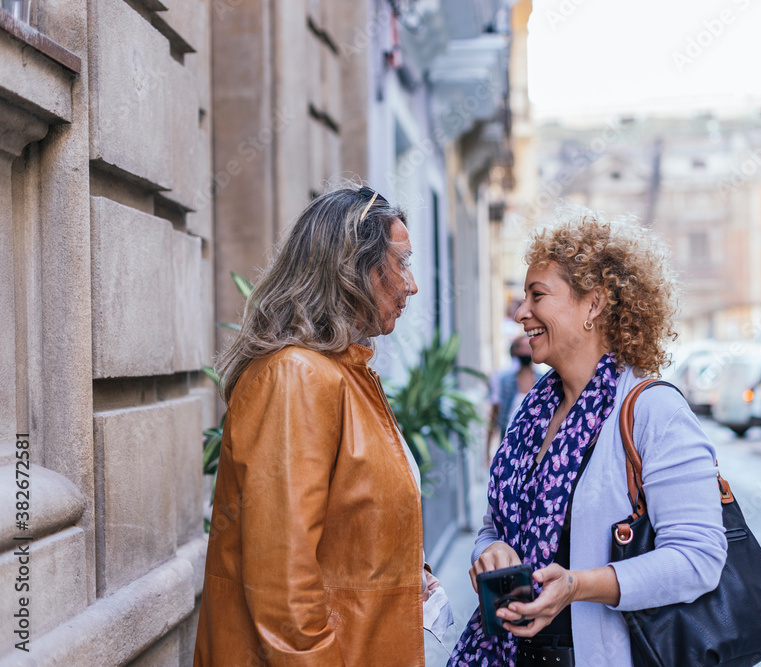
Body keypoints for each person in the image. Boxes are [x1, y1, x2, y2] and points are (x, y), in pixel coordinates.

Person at [449, 210, 727, 666]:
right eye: (523, 298)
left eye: (537, 296)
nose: (521, 313)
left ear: (594, 305)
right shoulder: (531, 414)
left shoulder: (653, 412)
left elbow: (699, 557)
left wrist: (579, 585)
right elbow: (493, 527)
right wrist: (491, 551)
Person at [194, 186, 439, 666]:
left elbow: (347, 538)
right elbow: (282, 588)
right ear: (354, 269)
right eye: (402, 262)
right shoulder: (297, 378)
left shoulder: (341, 373)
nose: (411, 285)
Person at [488, 336, 543, 448]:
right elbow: (495, 414)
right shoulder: (504, 381)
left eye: (529, 347)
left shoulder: (543, 381)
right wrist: (488, 448)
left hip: (536, 442)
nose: (525, 351)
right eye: (522, 347)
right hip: (509, 441)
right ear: (515, 351)